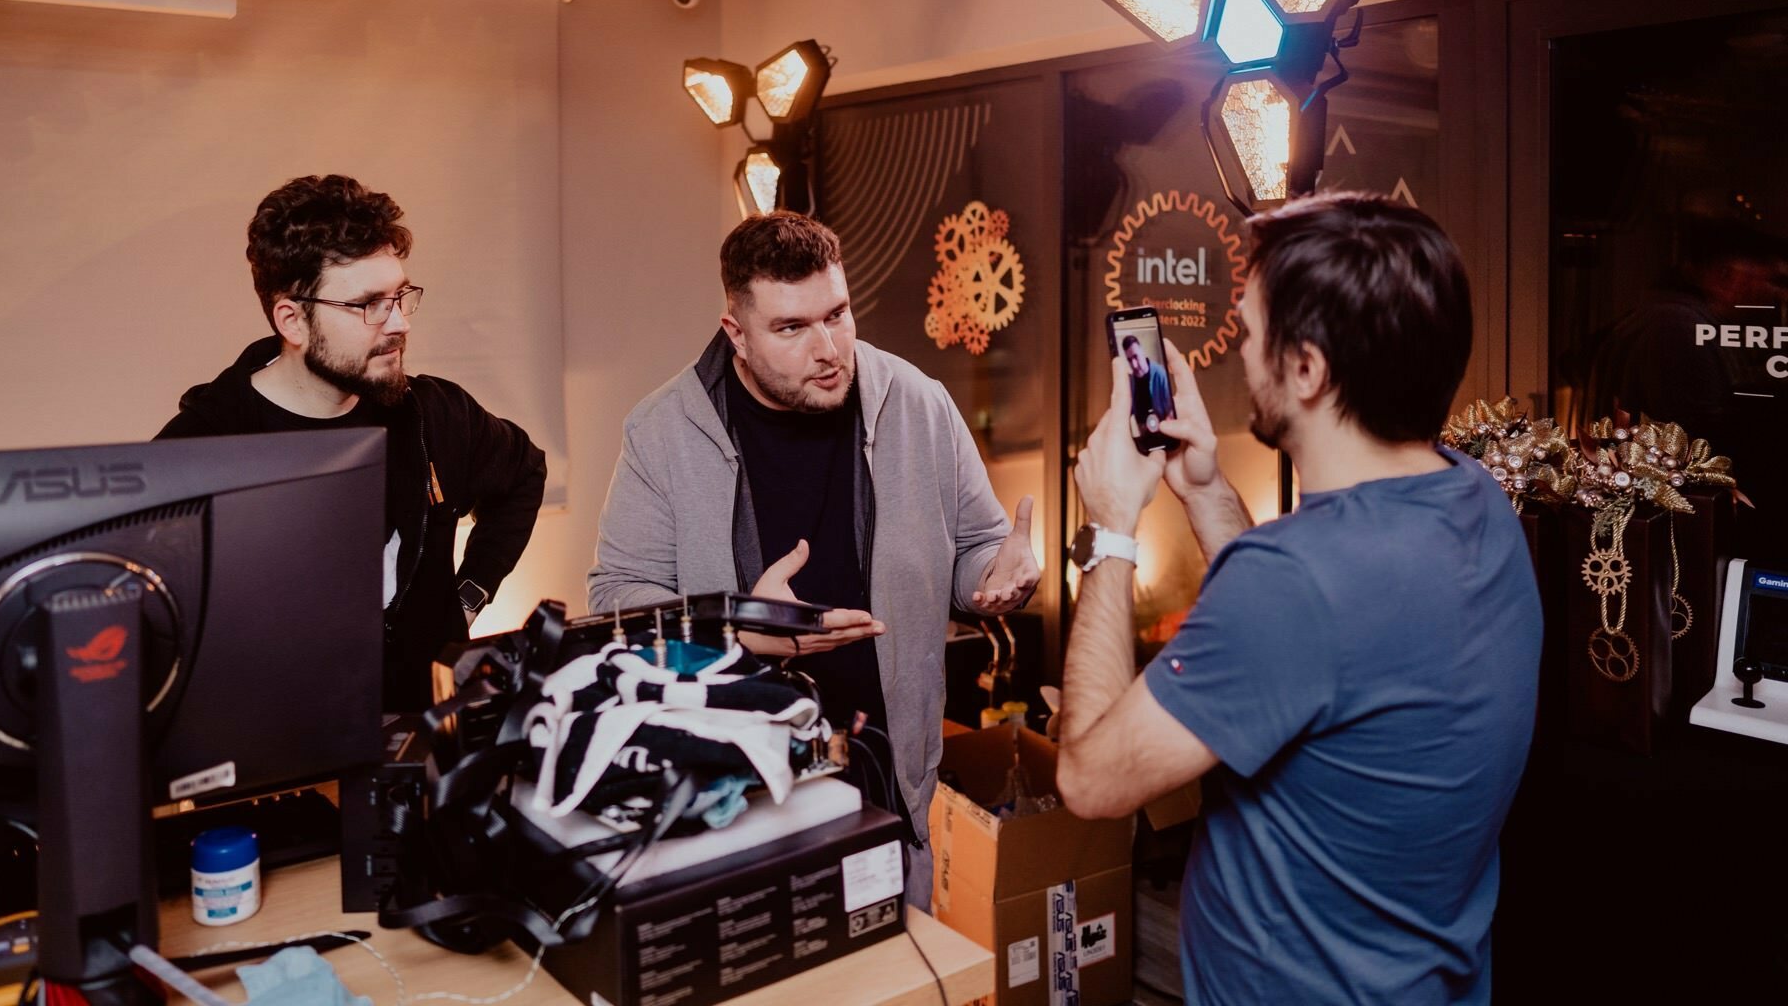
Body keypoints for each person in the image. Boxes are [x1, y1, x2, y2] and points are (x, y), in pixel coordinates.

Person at [1056, 192, 1541, 1005]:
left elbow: (1088, 781)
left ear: (1308, 368)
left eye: (1249, 332)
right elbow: (1316, 646)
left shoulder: (1295, 582)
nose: (1241, 354)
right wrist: (1205, 494)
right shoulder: (1478, 501)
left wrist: (1111, 528)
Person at [588, 211, 1039, 907]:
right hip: (732, 798)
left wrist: (991, 575)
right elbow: (616, 598)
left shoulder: (919, 403)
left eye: (838, 314)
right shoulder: (663, 431)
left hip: (890, 781)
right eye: (792, 328)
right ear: (736, 333)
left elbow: (974, 547)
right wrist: (737, 629)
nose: (828, 348)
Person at [157, 174, 547, 712]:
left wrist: (466, 600)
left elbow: (525, 475)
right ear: (292, 320)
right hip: (276, 770)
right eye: (369, 305)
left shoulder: (436, 415)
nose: (400, 323)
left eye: (401, 296)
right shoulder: (201, 450)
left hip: (420, 750)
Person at [1121, 333, 1173, 436]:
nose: (1134, 365)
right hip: (1143, 435)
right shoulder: (1130, 382)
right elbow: (1126, 412)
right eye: (1129, 360)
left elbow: (1171, 409)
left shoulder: (1160, 373)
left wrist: (1163, 426)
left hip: (1163, 433)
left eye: (1135, 356)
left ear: (1142, 350)